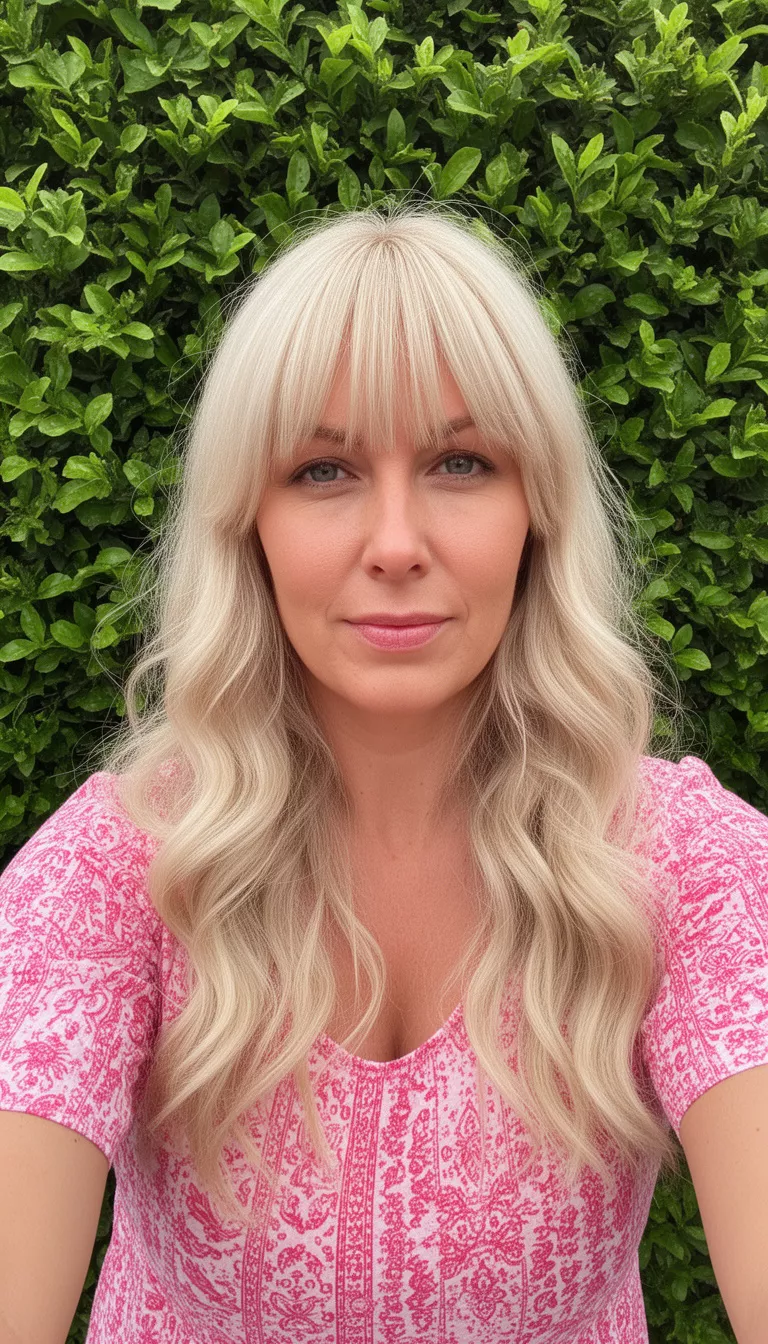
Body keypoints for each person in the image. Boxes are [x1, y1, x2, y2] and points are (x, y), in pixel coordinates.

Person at [1, 201, 767, 1344]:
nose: (397, 541)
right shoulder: (117, 869)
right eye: (324, 470)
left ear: (537, 513)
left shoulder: (683, 866)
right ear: (245, 524)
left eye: (463, 462)